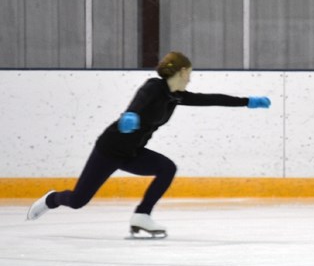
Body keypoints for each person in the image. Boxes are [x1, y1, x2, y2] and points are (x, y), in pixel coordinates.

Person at [26, 51, 271, 237]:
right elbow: (139, 102)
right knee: (78, 201)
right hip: (109, 150)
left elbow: (211, 99)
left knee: (167, 168)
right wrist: (129, 117)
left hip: (133, 153)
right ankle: (51, 199)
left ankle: (142, 215)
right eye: (190, 73)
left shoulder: (175, 96)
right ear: (183, 72)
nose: (191, 79)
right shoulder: (154, 87)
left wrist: (248, 102)